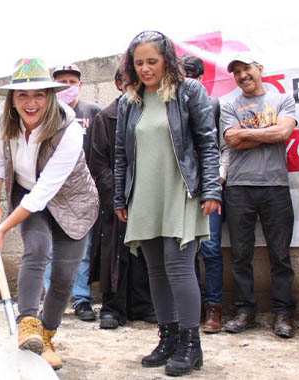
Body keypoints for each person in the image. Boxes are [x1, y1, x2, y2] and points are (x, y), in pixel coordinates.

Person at [114, 31, 221, 377]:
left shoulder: (189, 92)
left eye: (152, 61)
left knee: (178, 266)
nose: (145, 69)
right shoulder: (129, 101)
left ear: (167, 60)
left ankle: (192, 344)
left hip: (182, 190)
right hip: (143, 193)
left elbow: (207, 143)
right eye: (139, 62)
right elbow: (121, 155)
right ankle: (169, 337)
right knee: (156, 270)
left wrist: (211, 190)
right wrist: (120, 196)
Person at [0, 58, 99, 370]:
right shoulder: (4, 122)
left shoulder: (69, 130)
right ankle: (28, 325)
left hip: (73, 205)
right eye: (22, 95)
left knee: (63, 277)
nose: (30, 102)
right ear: (12, 99)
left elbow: (44, 192)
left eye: (38, 95)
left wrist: (2, 228)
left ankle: (47, 336)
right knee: (36, 250)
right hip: (28, 195)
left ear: (49, 96)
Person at [221, 53, 298, 338]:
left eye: (247, 69)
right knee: (240, 254)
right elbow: (231, 139)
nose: (243, 75)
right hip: (239, 187)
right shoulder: (229, 105)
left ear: (260, 69)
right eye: (237, 72)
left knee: (280, 255)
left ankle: (283, 313)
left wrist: (248, 134)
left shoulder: (282, 100)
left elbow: (285, 132)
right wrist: (269, 131)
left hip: (275, 186)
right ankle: (244, 311)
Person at [87, 68, 155, 329]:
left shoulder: (152, 112)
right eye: (129, 80)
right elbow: (98, 162)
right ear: (118, 84)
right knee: (114, 254)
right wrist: (118, 194)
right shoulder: (106, 117)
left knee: (145, 253)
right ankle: (112, 307)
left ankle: (142, 305)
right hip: (116, 199)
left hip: (148, 195)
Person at [44, 63, 102, 322]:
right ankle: (49, 299)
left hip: (82, 195)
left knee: (82, 249)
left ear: (81, 83)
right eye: (62, 81)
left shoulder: (93, 112)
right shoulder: (46, 114)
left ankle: (81, 299)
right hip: (52, 192)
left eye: (72, 80)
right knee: (48, 249)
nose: (67, 86)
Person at [181, 54, 226, 334]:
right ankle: (191, 308)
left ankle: (214, 309)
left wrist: (216, 182)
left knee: (210, 249)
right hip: (183, 189)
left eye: (187, 76)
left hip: (208, 186)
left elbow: (220, 146)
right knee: (185, 249)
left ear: (199, 80)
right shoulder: (166, 106)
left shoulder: (213, 105)